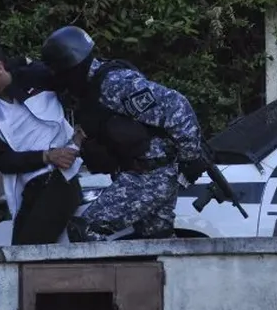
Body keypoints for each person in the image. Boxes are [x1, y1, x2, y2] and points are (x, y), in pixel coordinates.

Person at [39, 26, 209, 242]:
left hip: (150, 175)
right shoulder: (90, 89)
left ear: (70, 66)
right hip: (145, 173)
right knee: (156, 241)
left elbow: (176, 105)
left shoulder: (114, 83)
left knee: (86, 230)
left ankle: (99, 278)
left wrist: (190, 155)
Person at [0, 41, 83, 245]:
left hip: (62, 179)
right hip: (27, 188)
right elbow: (2, 159)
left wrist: (78, 138)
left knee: (27, 255)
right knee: (19, 257)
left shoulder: (37, 76)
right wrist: (47, 156)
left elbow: (80, 87)